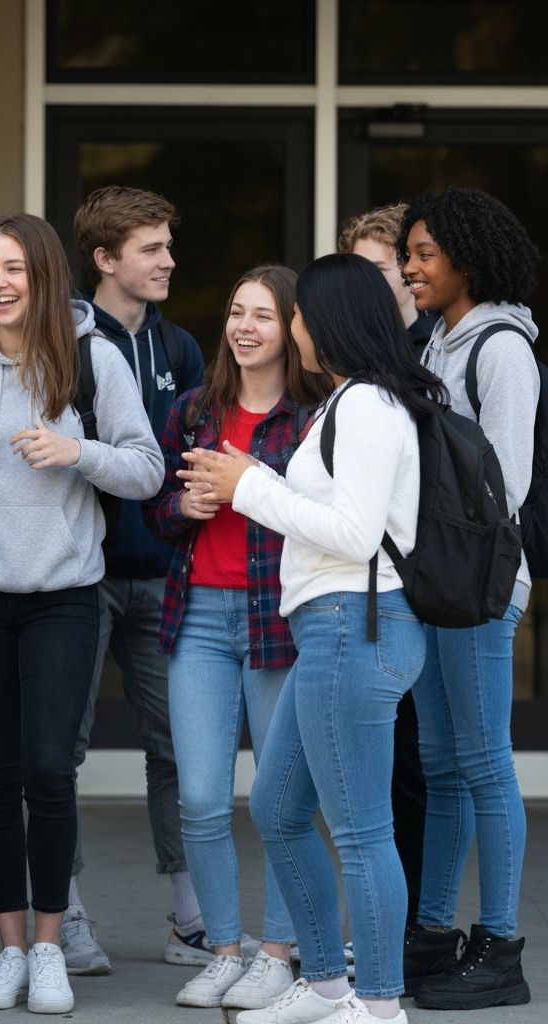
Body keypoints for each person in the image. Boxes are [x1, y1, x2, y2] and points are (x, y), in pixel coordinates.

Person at [0, 213, 163, 1014]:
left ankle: (52, 945)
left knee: (50, 771)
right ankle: (10, 949)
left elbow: (147, 469)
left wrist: (74, 451)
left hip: (64, 596)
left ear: (45, 274)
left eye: (14, 268)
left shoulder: (95, 361)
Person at [197, 253, 444, 1024]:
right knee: (275, 808)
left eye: (298, 313)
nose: (292, 326)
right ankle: (330, 988)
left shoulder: (368, 406)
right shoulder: (347, 403)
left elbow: (354, 531)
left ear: (327, 322)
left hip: (354, 627)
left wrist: (252, 486)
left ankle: (376, 1005)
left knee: (362, 831)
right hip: (332, 631)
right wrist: (255, 477)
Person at [146, 265, 329, 1011]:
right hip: (199, 619)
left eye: (262, 315)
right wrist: (182, 508)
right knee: (199, 798)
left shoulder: (312, 418)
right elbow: (156, 516)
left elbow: (325, 522)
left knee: (281, 797)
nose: (244, 327)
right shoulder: (195, 410)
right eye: (235, 312)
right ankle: (226, 948)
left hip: (277, 622)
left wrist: (254, 484)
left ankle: (279, 954)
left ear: (291, 328)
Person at [396, 187, 537, 1011]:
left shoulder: (501, 350)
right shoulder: (435, 346)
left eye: (423, 255)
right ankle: (431, 936)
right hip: (432, 583)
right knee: (443, 767)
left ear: (467, 262)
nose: (410, 269)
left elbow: (505, 485)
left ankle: (501, 947)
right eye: (408, 254)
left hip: (477, 587)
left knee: (482, 764)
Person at [63, 185, 205, 973]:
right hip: (77, 579)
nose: (168, 261)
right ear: (105, 258)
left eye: (167, 246)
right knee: (62, 753)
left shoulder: (180, 348)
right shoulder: (61, 340)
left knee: (178, 748)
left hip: (161, 578)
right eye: (151, 248)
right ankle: (68, 916)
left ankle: (190, 918)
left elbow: (189, 451)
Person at [336, 203, 432, 936]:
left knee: (418, 771)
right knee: (376, 772)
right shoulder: (352, 368)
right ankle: (377, 935)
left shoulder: (441, 356)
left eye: (388, 266)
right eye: (366, 268)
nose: (383, 280)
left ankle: (402, 941)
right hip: (362, 595)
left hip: (422, 593)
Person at [339, 203, 437, 354]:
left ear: (409, 269)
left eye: (378, 269)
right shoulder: (344, 344)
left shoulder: (437, 346)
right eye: (358, 268)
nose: (364, 278)